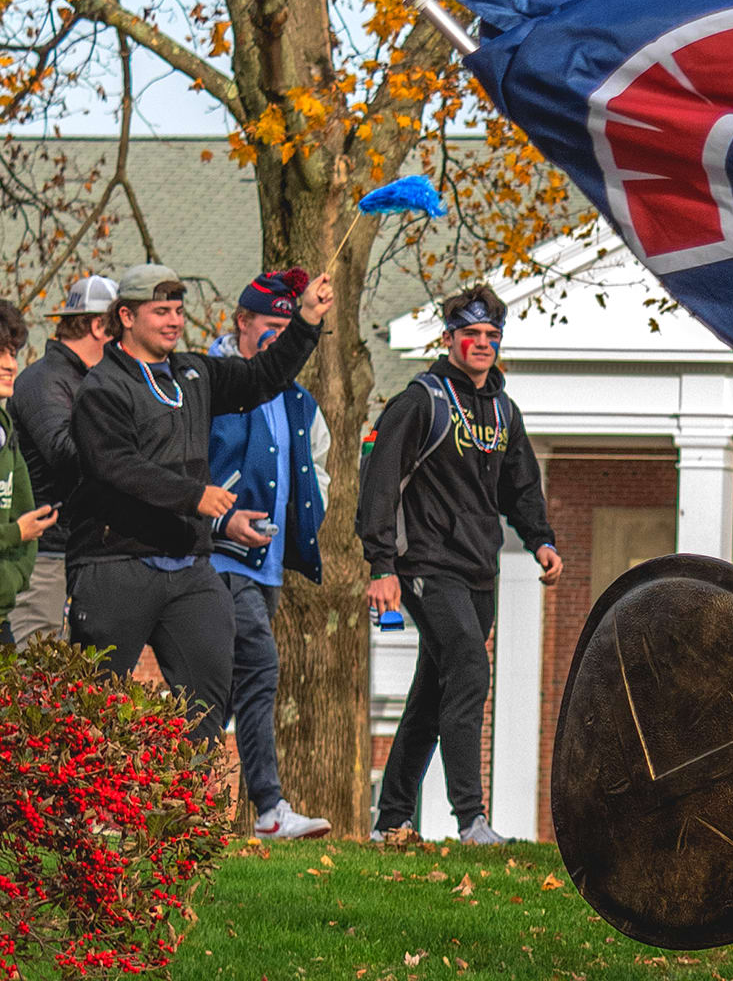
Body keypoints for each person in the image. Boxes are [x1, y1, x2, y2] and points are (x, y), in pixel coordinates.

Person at [64, 263, 333, 747]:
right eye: (159, 311)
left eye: (178, 311)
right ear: (126, 316)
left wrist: (306, 322)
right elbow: (118, 466)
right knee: (94, 711)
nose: (173, 320)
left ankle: (187, 818)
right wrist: (196, 497)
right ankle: (87, 820)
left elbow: (262, 377)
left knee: (208, 701)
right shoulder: (102, 386)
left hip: (190, 566)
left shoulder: (194, 372)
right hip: (114, 563)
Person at [358, 285, 562, 846]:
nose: (481, 345)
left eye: (491, 337)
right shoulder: (419, 403)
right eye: (470, 335)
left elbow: (521, 489)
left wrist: (541, 540)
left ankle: (392, 818)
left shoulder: (503, 411)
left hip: (479, 569)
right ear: (448, 339)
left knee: (432, 692)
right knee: (470, 668)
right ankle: (470, 819)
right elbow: (377, 485)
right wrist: (382, 566)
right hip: (425, 566)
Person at [207, 269, 334, 839]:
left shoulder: (300, 401)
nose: (280, 337)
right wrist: (218, 519)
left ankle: (181, 803)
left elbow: (319, 472)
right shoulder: (209, 382)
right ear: (241, 322)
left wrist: (309, 516)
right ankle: (267, 808)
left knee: (224, 686)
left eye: (289, 327)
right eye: (270, 326)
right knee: (255, 667)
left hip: (269, 562)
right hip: (214, 557)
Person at [7, 274, 116, 644]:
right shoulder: (44, 381)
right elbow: (64, 452)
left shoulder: (89, 380)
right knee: (36, 674)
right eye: (122, 324)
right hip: (47, 554)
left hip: (81, 551)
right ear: (99, 326)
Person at [0, 300, 60, 644]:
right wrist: (14, 534)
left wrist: (15, 577)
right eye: (1, 355)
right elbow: (19, 527)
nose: (11, 366)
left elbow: (25, 511)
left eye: (13, 354)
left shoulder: (5, 426)